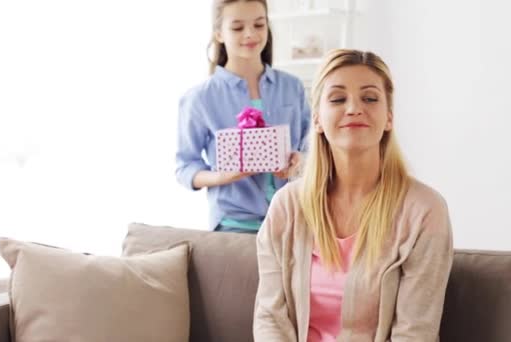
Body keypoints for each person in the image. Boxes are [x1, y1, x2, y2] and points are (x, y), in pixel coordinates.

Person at [254, 49, 454, 341]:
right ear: (318, 120)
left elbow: (415, 332)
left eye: (370, 98)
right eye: (337, 99)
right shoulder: (287, 207)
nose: (353, 108)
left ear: (388, 118)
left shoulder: (425, 210)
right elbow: (269, 317)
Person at [176, 0, 311, 234]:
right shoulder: (200, 98)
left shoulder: (292, 87)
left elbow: (314, 148)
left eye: (259, 25)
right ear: (219, 33)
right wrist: (222, 176)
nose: (250, 34)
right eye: (237, 28)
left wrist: (299, 162)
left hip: (294, 221)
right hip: (234, 225)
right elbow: (185, 167)